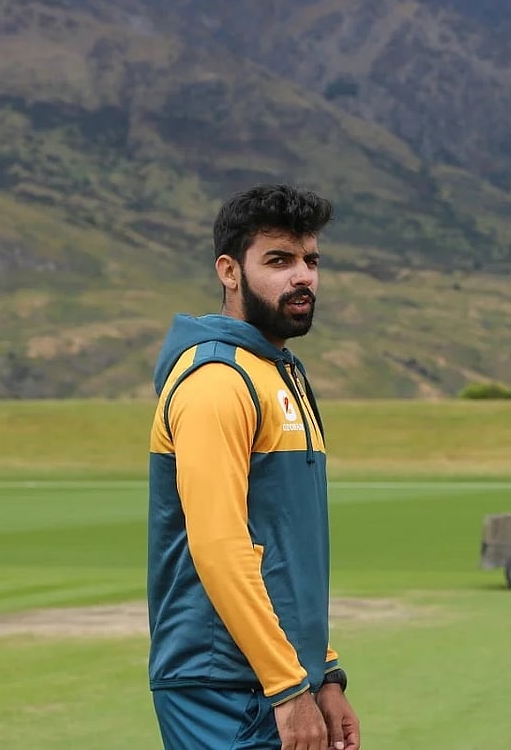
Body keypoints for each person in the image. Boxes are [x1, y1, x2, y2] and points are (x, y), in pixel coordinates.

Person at [147, 184, 361, 750]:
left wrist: (324, 671)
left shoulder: (278, 372)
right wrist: (289, 687)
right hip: (224, 685)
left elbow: (285, 550)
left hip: (275, 677)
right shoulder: (217, 381)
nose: (303, 276)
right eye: (279, 260)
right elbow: (219, 547)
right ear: (229, 270)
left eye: (311, 260)